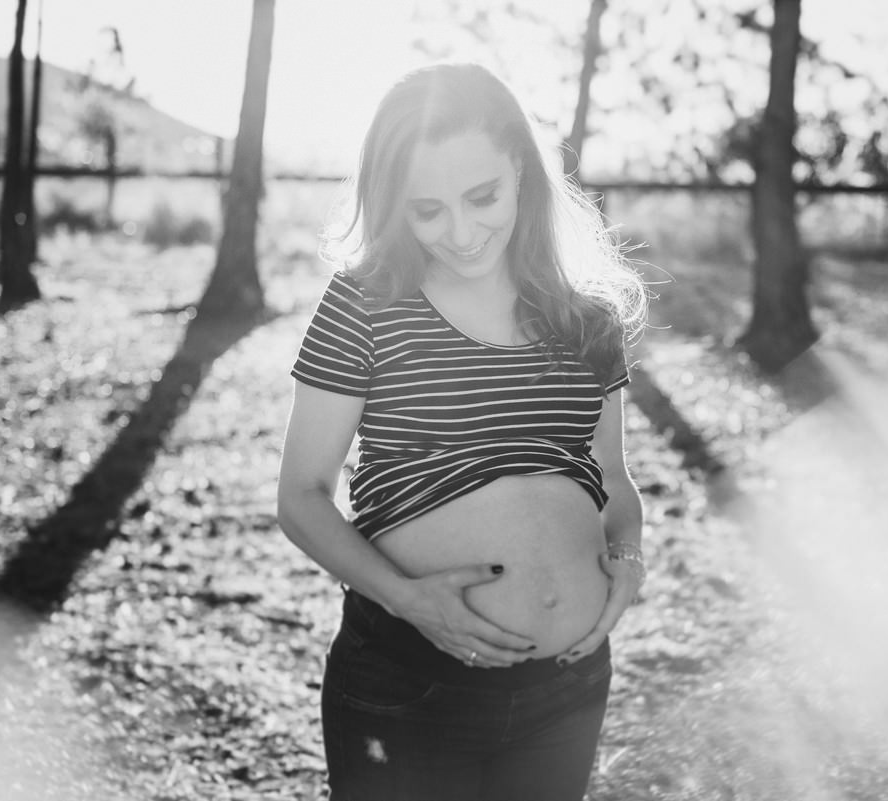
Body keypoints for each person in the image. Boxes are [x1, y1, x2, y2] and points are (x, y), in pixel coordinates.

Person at [277, 62, 648, 801]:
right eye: (428, 209)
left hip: (566, 689)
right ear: (394, 205)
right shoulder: (366, 303)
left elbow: (615, 483)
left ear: (520, 167)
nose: (462, 231)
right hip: (410, 681)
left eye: (483, 197)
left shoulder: (587, 319)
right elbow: (302, 496)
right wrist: (410, 600)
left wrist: (627, 562)